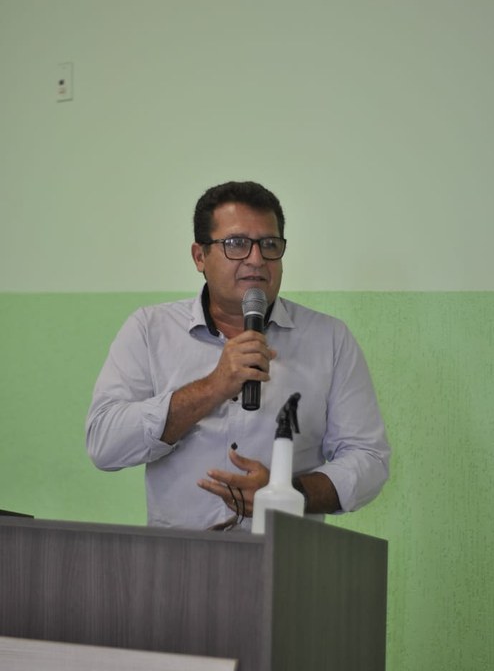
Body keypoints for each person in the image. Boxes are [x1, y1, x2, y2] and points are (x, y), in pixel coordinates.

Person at [86, 181, 390, 530]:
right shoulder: (150, 330)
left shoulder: (329, 339)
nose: (256, 259)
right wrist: (214, 386)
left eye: (270, 245)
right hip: (177, 557)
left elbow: (369, 458)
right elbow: (105, 443)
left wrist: (288, 493)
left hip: (284, 556)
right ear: (200, 256)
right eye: (236, 244)